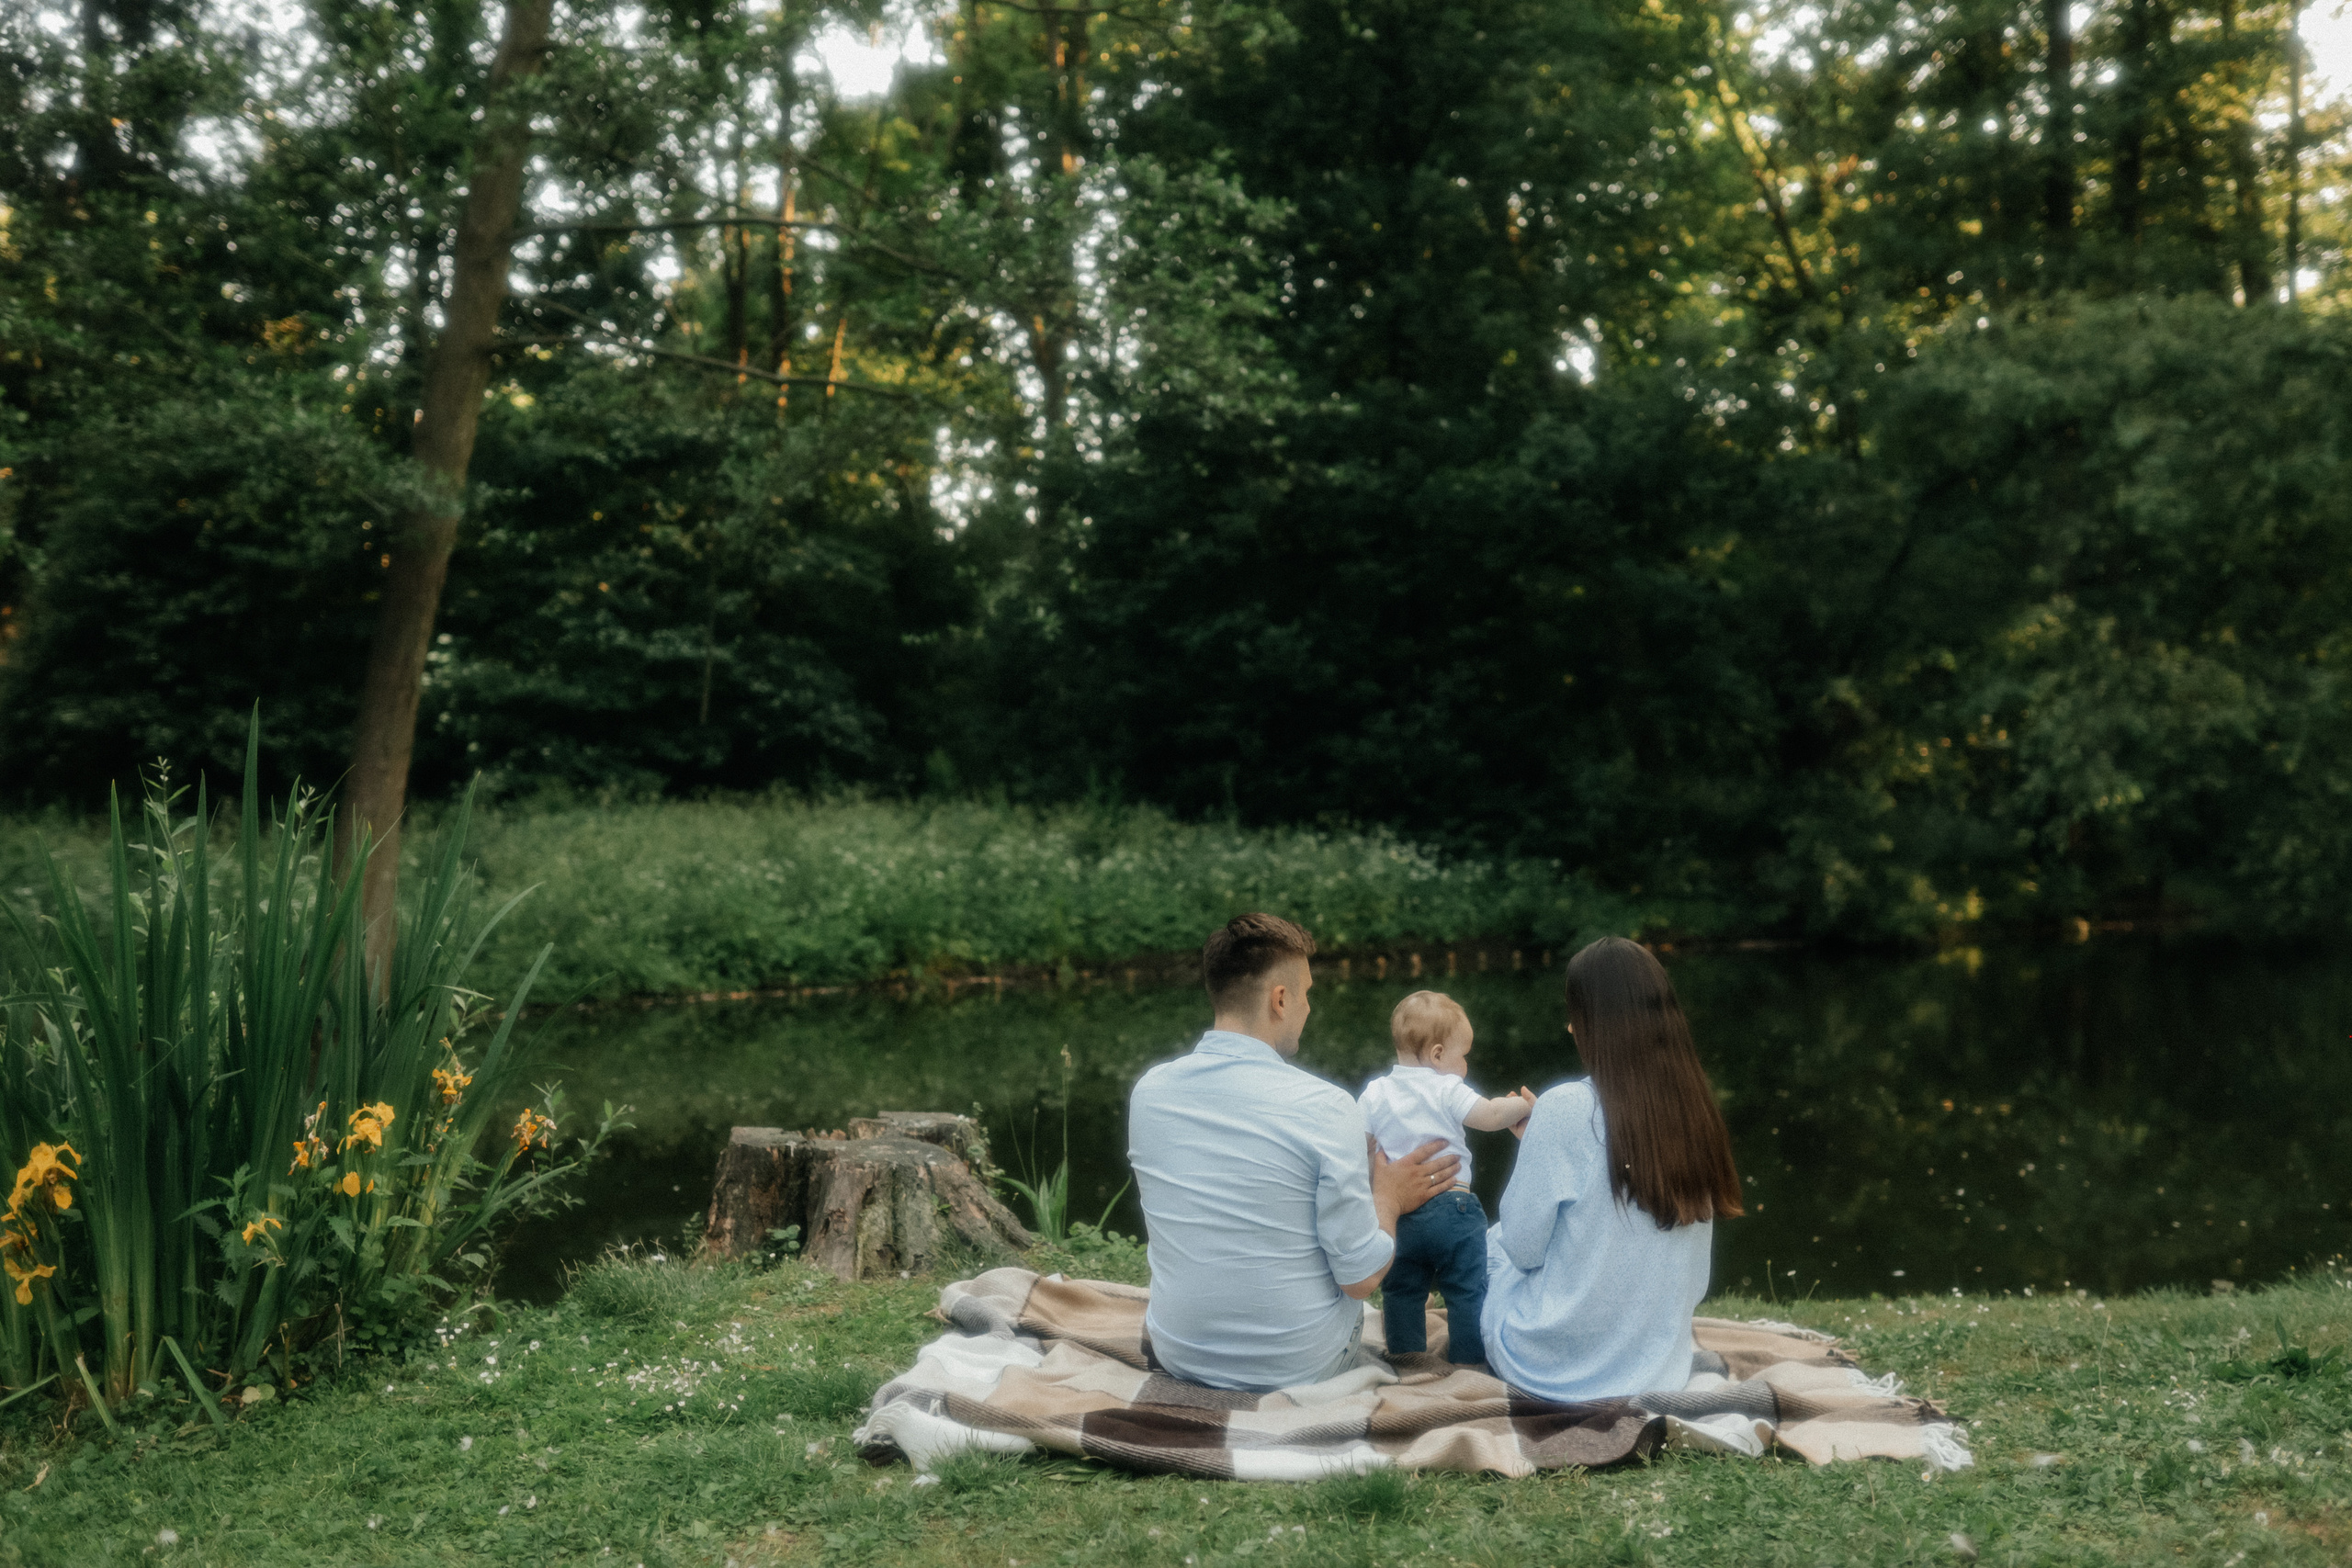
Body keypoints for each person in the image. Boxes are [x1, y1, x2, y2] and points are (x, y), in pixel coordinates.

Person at [1127, 913, 1459, 1392]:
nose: (1308, 1007)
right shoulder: (1324, 1106)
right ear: (1279, 999)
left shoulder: (1150, 1092)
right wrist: (1385, 1198)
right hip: (1298, 1365)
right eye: (1306, 993)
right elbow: (1361, 1279)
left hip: (1179, 1351)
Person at [1479, 937, 1743, 1401]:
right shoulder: (1693, 1110)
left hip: (1549, 1370)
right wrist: (1546, 1143)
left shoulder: (1567, 1108)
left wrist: (1548, 1140)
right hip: (1659, 1369)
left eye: (1573, 1016)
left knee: (1489, 1242)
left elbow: (1523, 1250)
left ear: (1588, 1023)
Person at [1357, 991, 1533, 1366]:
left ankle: (1408, 1360)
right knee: (1467, 1289)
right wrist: (1521, 1105)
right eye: (1463, 1055)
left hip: (1401, 1215)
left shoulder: (1375, 1093)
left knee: (1402, 1290)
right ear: (1438, 1055)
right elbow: (1487, 1116)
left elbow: (1361, 1147)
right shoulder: (1445, 1087)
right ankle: (1469, 1361)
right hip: (1454, 1208)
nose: (1465, 1066)